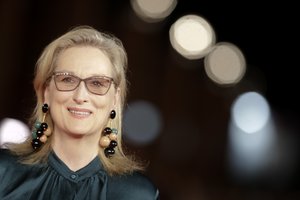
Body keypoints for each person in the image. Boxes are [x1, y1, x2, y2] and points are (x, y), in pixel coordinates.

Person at [0, 25, 159, 200]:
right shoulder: (4, 173)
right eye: (67, 79)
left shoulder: (138, 194)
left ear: (115, 98)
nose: (80, 96)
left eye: (97, 83)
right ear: (46, 92)